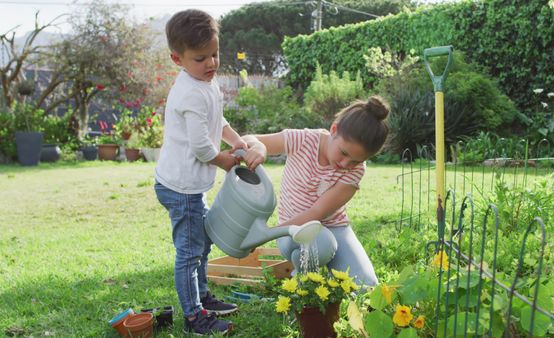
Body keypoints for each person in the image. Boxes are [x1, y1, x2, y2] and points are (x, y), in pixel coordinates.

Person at [154, 9, 249, 335]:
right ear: (177, 58)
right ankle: (195, 316)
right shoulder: (190, 92)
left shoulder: (207, 83)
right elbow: (201, 149)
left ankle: (203, 296)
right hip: (181, 187)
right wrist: (224, 160)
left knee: (201, 244)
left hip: (189, 184)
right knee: (189, 252)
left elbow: (216, 121)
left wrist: (236, 140)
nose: (211, 64)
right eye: (200, 58)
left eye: (214, 54)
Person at [242, 96, 390, 287]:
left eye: (356, 160)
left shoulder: (356, 171)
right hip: (292, 230)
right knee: (322, 244)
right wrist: (260, 146)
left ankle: (306, 268)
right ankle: (303, 282)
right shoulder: (303, 140)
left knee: (366, 286)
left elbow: (317, 213)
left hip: (334, 227)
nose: (346, 164)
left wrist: (264, 235)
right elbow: (246, 140)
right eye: (344, 153)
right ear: (334, 129)